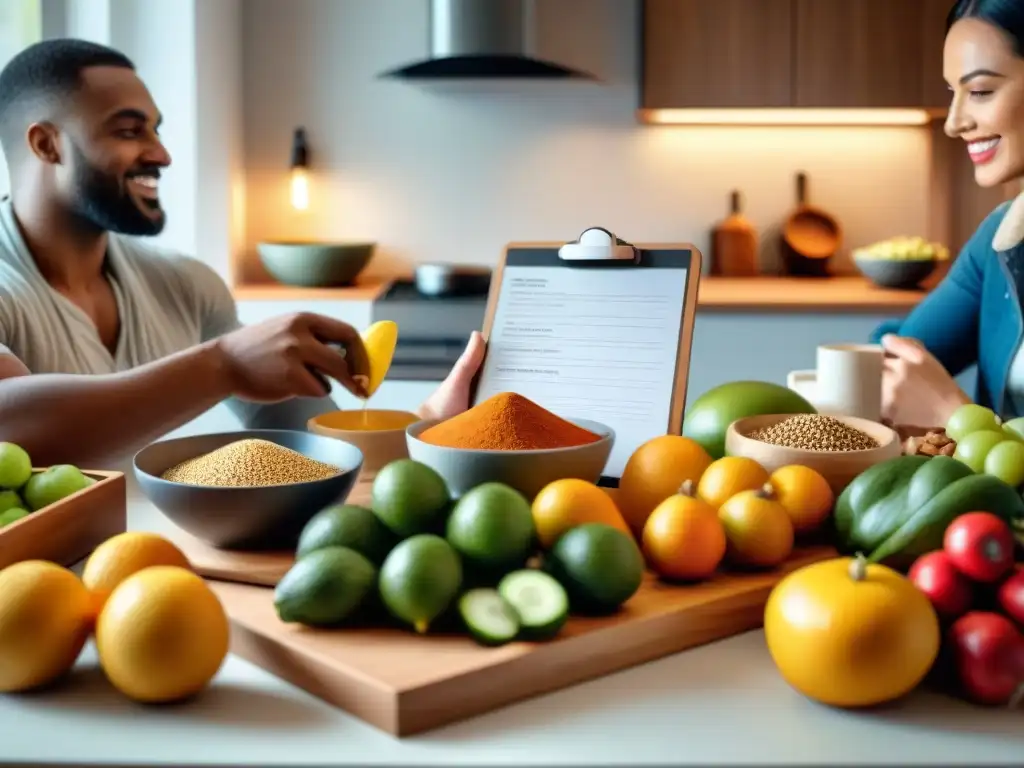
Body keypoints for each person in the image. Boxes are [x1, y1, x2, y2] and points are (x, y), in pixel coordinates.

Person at [0, 38, 485, 467]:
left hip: (175, 565)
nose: (162, 154)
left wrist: (429, 425)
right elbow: (10, 429)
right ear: (47, 144)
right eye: (129, 131)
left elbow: (317, 444)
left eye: (156, 130)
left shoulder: (185, 284)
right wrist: (223, 364)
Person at [876, 0, 1024, 428]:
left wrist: (952, 416)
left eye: (979, 91)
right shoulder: (1001, 236)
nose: (954, 122)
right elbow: (898, 352)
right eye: (952, 93)